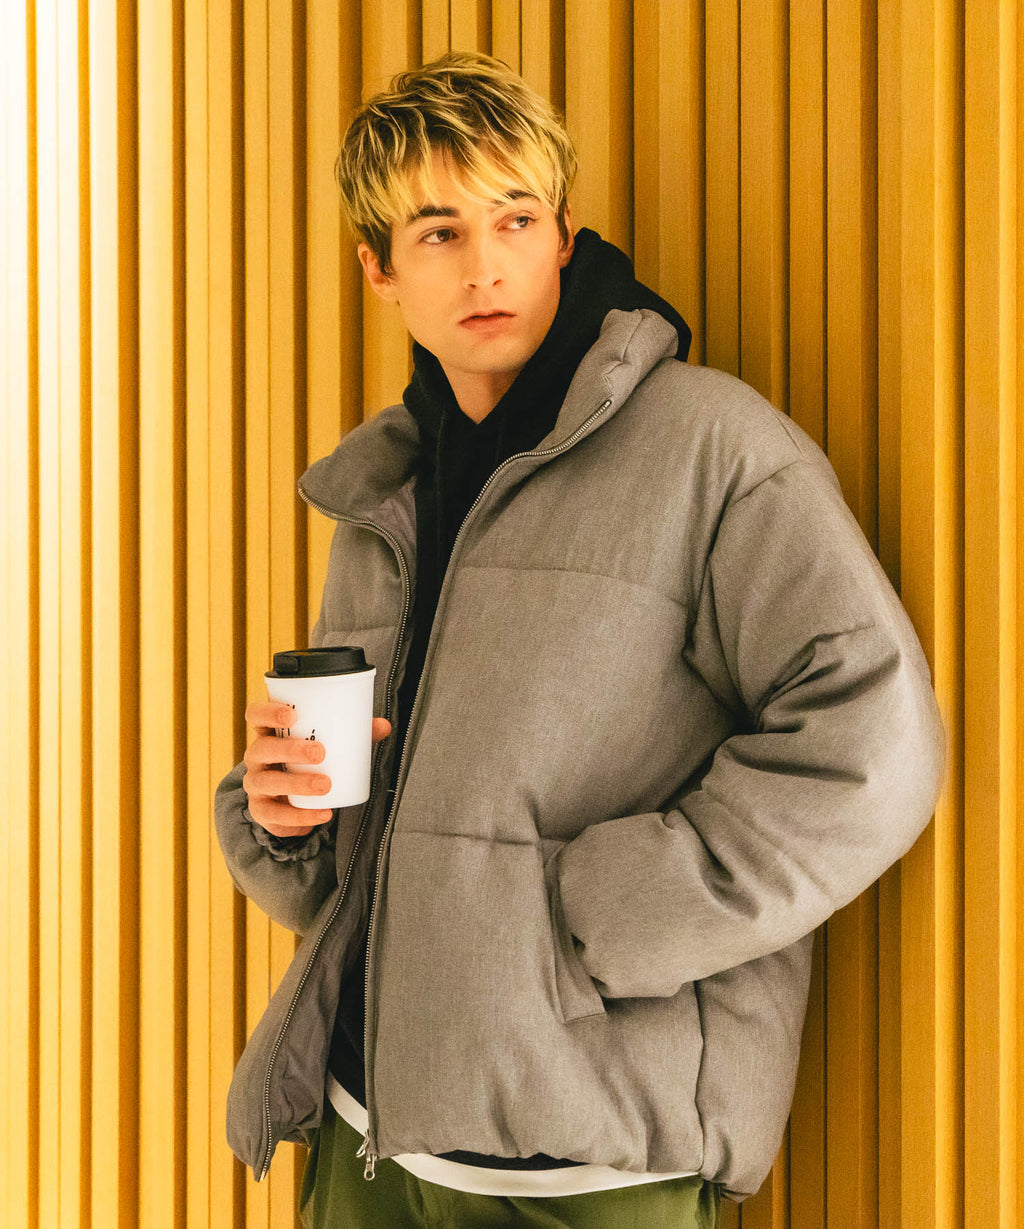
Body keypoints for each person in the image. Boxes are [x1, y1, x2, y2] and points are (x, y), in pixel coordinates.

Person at [215, 51, 945, 1229]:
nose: (486, 263)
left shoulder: (711, 449)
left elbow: (874, 746)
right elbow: (372, 851)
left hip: (585, 1170)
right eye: (440, 231)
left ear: (563, 235)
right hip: (366, 1138)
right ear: (379, 268)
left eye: (516, 218)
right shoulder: (384, 491)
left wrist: (583, 919)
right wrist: (281, 809)